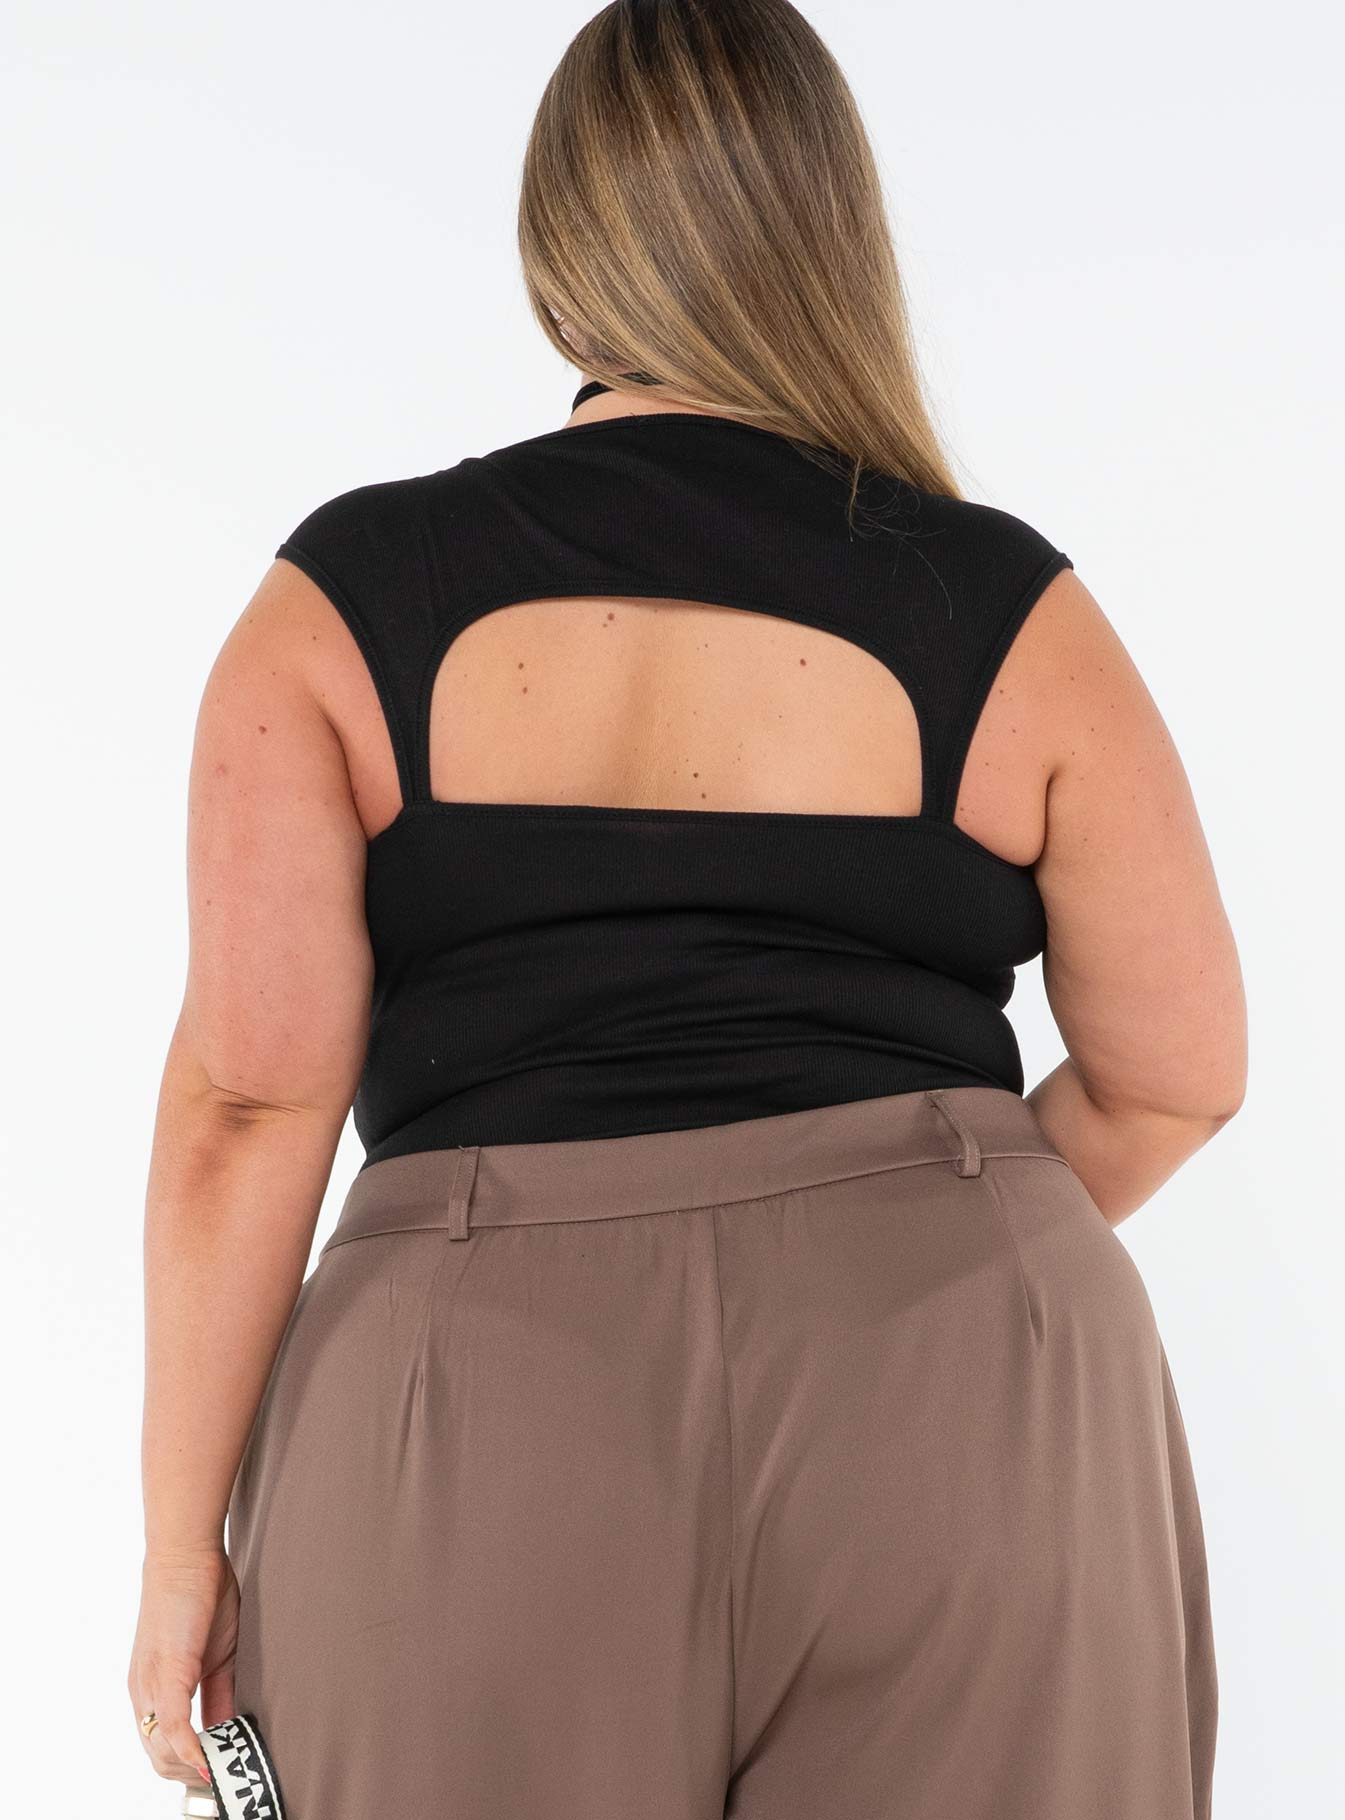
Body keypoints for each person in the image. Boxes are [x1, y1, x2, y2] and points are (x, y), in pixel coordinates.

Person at [128, 2, 1246, 1815]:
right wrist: (916, 1244)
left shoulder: (341, 603)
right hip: (959, 1402)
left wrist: (183, 1547)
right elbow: (1175, 1075)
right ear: (829, 233)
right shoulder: (1008, 609)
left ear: (560, 250)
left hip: (472, 1404)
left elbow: (251, 1103)